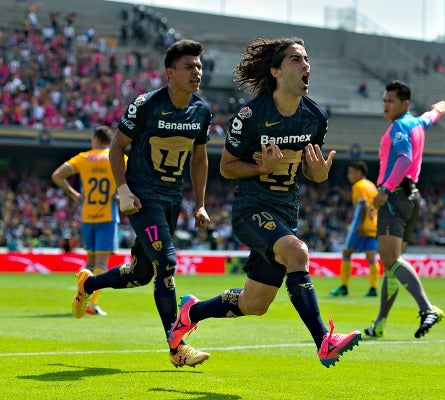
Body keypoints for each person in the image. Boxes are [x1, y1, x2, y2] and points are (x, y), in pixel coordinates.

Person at [168, 37, 362, 368]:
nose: (306, 65)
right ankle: (324, 341)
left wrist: (318, 175)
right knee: (297, 252)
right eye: (296, 60)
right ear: (275, 71)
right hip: (251, 208)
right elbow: (226, 167)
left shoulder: (315, 117)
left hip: (286, 211)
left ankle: (191, 312)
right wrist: (261, 167)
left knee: (255, 303)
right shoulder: (251, 115)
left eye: (307, 59)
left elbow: (310, 171)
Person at [70, 39, 213, 368]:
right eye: (189, 67)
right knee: (167, 263)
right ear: (170, 73)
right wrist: (122, 189)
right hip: (141, 197)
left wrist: (201, 203)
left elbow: (200, 157)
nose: (197, 72)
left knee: (140, 273)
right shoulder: (146, 105)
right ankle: (177, 345)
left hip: (172, 199)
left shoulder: (202, 111)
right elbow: (117, 146)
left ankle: (88, 283)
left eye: (199, 66)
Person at [364, 80, 445, 339]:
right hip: (412, 198)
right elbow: (430, 118)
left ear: (404, 103)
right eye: (384, 100)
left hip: (395, 197)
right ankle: (379, 324)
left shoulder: (399, 127)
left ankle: (426, 309)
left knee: (389, 260)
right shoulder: (417, 122)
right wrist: (439, 109)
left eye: (390, 101)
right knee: (392, 265)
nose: (385, 105)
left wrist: (385, 189)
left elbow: (404, 159)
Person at [52, 125, 125, 316]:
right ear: (110, 141)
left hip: (87, 216)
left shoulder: (83, 157)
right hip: (107, 216)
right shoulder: (117, 157)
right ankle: (92, 303)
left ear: (95, 139)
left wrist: (74, 194)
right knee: (101, 263)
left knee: (90, 263)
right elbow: (134, 178)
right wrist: (121, 195)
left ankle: (82, 297)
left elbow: (57, 175)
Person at [330, 160, 380, 297]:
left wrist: (358, 226)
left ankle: (344, 287)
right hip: (373, 225)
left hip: (361, 226)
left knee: (346, 253)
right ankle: (373, 289)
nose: (349, 175)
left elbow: (363, 205)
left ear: (359, 172)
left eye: (351, 172)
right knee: (372, 258)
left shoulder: (358, 185)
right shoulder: (371, 186)